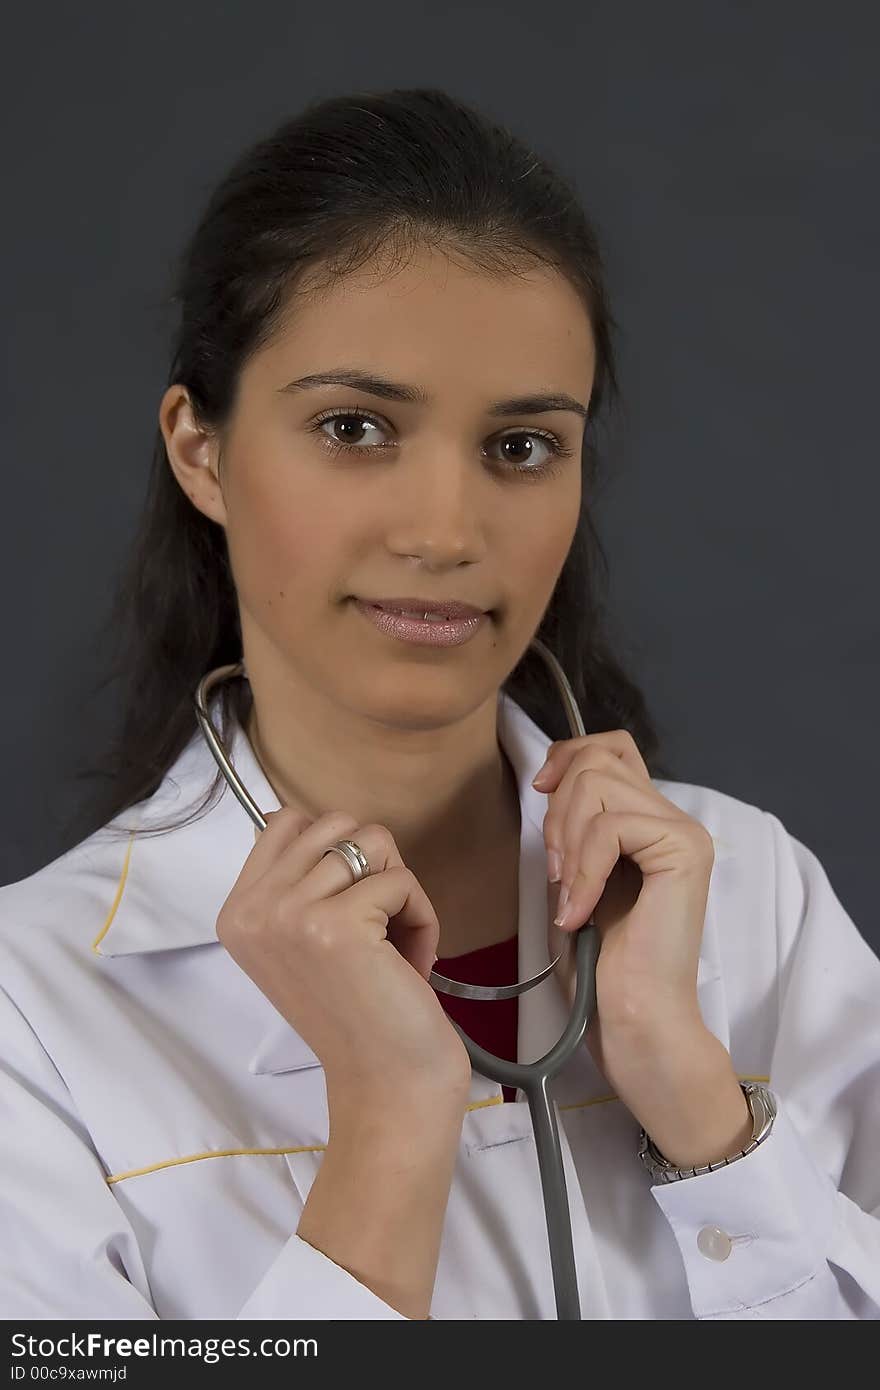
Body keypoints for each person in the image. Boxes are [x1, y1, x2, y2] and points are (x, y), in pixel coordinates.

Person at [1, 87, 878, 1323]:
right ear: (201, 451)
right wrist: (388, 1128)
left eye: (520, 447)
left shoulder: (758, 901)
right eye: (354, 427)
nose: (446, 531)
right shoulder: (28, 1013)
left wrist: (699, 1106)